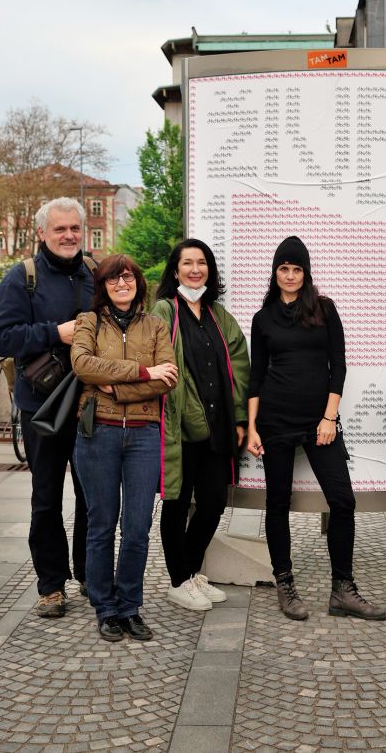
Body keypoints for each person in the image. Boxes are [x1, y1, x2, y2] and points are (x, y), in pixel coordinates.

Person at [247, 236, 386, 622]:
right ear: (275, 273)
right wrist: (253, 427)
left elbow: (337, 367)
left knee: (342, 500)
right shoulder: (263, 319)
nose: (290, 275)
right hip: (274, 419)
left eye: (296, 269)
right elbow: (256, 376)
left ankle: (343, 590)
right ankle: (285, 584)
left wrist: (329, 418)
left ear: (305, 273)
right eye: (283, 269)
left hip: (318, 422)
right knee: (278, 503)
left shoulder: (324, 310)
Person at [0, 197, 94, 619]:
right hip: (43, 407)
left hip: (90, 403)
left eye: (74, 228)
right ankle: (51, 586)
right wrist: (57, 332)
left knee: (93, 497)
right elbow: (3, 337)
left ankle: (91, 574)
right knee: (47, 497)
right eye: (60, 229)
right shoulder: (22, 277)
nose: (68, 235)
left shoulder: (94, 273)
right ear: (41, 233)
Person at [71, 255, 178, 642]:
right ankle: (105, 608)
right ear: (103, 285)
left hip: (144, 435)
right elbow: (83, 365)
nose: (122, 284)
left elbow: (169, 377)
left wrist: (116, 385)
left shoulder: (156, 325)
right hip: (97, 432)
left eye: (128, 277)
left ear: (138, 283)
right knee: (101, 525)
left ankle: (130, 606)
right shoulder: (89, 322)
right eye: (113, 279)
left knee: (137, 527)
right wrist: (143, 371)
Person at [150, 239, 250, 612]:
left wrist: (239, 418)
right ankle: (179, 580)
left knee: (212, 503)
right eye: (187, 263)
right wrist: (191, 412)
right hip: (180, 427)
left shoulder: (217, 315)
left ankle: (189, 572)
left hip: (218, 426)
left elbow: (240, 365)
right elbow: (163, 365)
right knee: (176, 504)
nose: (195, 269)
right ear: (175, 270)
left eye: (202, 263)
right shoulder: (164, 310)